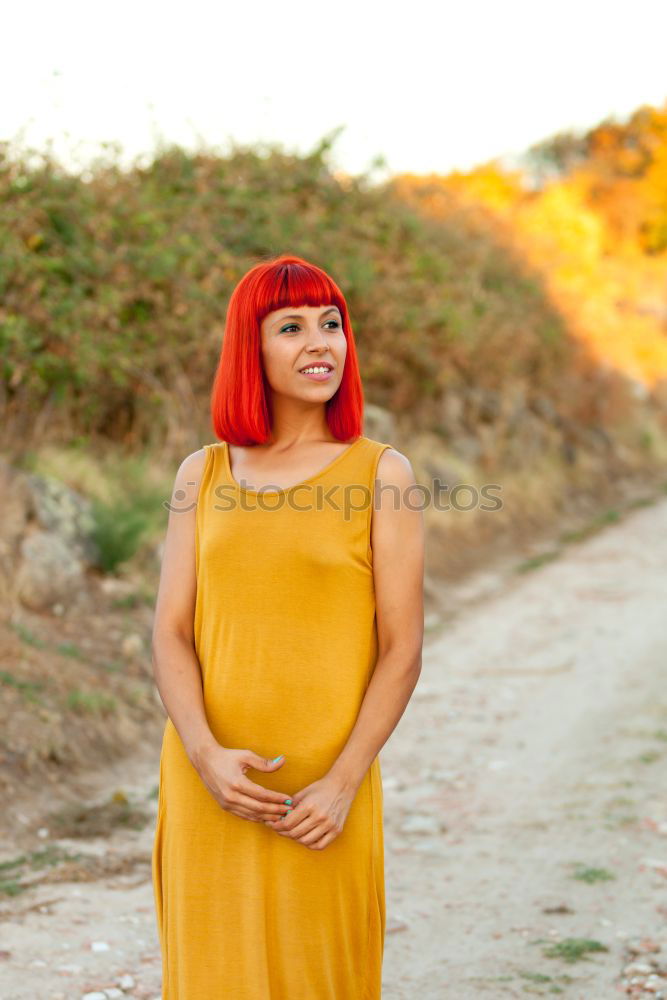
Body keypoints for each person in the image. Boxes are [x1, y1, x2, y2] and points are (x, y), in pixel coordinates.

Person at [151, 252, 424, 998]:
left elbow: (401, 649)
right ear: (251, 346)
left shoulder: (380, 474)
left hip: (321, 796)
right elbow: (172, 630)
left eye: (331, 325)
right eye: (292, 326)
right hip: (210, 783)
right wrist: (205, 757)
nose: (320, 343)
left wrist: (341, 783)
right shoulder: (199, 475)